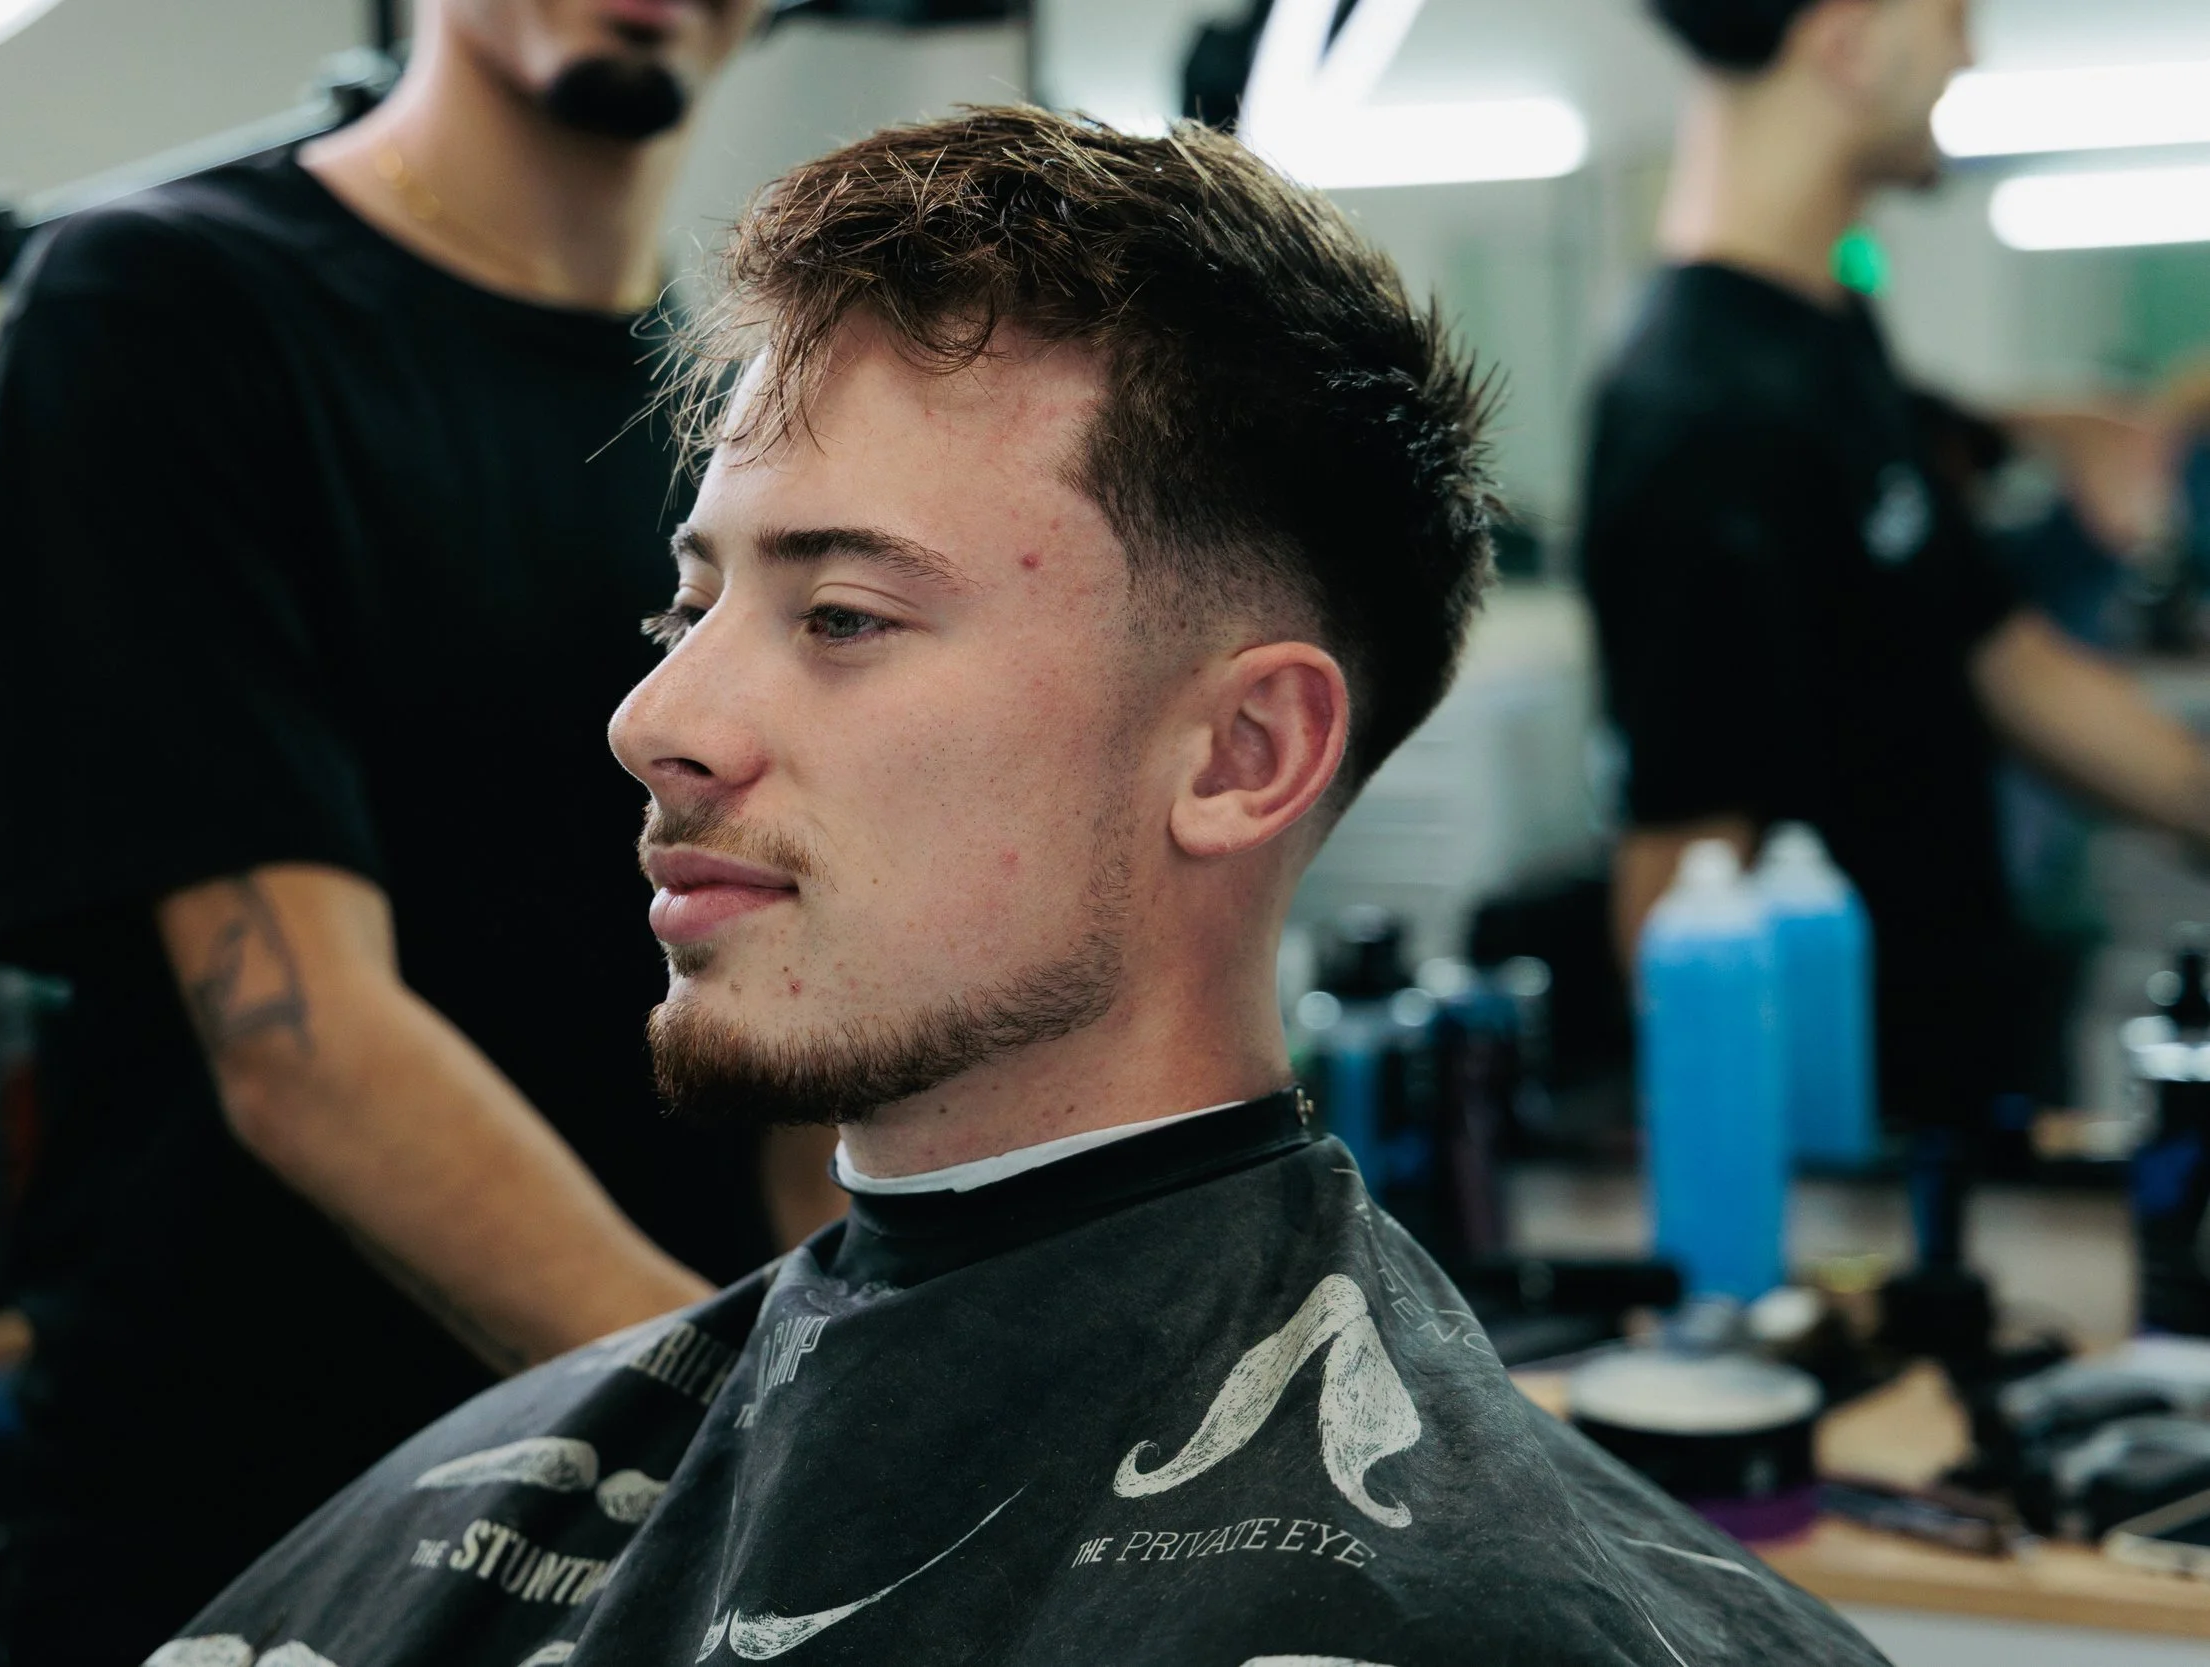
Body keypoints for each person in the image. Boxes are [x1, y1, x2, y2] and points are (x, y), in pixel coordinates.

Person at [143, 109, 1887, 1667]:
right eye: (690, 609)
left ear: (1239, 755)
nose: (653, 718)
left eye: (841, 617)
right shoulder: (503, 1496)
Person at [0, 0, 837, 1657]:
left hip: (654, 1563)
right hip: (266, 1533)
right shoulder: (166, 306)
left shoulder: (750, 412)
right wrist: (753, 1431)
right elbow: (304, 1044)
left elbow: (801, 1039)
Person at [1587, 0, 2210, 1139]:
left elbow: (1999, 653)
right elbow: (1676, 906)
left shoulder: (1827, 341)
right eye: (1952, 14)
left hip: (1962, 1105)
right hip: (1863, 1192)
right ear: (1847, 39)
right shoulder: (1696, 415)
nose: (1968, 51)